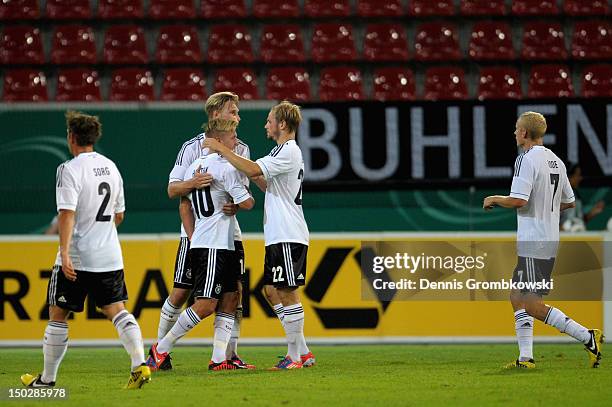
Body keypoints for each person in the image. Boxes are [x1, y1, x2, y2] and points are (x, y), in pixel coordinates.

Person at [21, 111, 150, 389]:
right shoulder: (111, 167)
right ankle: (139, 364)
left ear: (71, 137)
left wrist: (65, 253)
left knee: (58, 314)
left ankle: (48, 379)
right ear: (94, 137)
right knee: (117, 310)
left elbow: (66, 214)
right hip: (109, 256)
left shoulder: (69, 169)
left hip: (78, 257)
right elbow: (119, 216)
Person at [483, 111, 603, 369]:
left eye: (517, 129)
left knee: (531, 304)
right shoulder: (556, 161)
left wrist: (494, 198)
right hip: (547, 238)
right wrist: (546, 208)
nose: (515, 133)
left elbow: (519, 200)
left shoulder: (525, 159)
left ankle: (588, 336)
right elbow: (569, 202)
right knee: (517, 296)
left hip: (533, 240)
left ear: (524, 133)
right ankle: (525, 358)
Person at [204, 101, 314, 369]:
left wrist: (220, 148)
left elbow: (254, 170)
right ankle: (304, 351)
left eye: (269, 120)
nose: (266, 125)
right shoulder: (281, 151)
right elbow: (263, 181)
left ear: (283, 125)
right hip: (279, 233)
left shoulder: (289, 151)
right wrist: (244, 172)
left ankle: (295, 356)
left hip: (288, 232)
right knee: (270, 290)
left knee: (287, 292)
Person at [154, 91, 255, 369]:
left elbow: (239, 191)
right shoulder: (191, 148)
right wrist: (193, 184)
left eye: (237, 112)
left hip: (228, 233)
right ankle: (160, 352)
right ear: (215, 116)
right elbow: (174, 190)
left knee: (234, 293)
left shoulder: (241, 148)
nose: (238, 117)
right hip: (197, 233)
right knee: (181, 292)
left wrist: (234, 202)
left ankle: (226, 356)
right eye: (232, 112)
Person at [560, 163, 606, 232]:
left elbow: (579, 220)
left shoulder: (577, 195)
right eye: (577, 175)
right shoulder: (559, 195)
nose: (580, 178)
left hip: (577, 235)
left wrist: (591, 213)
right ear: (568, 177)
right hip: (563, 237)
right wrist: (562, 229)